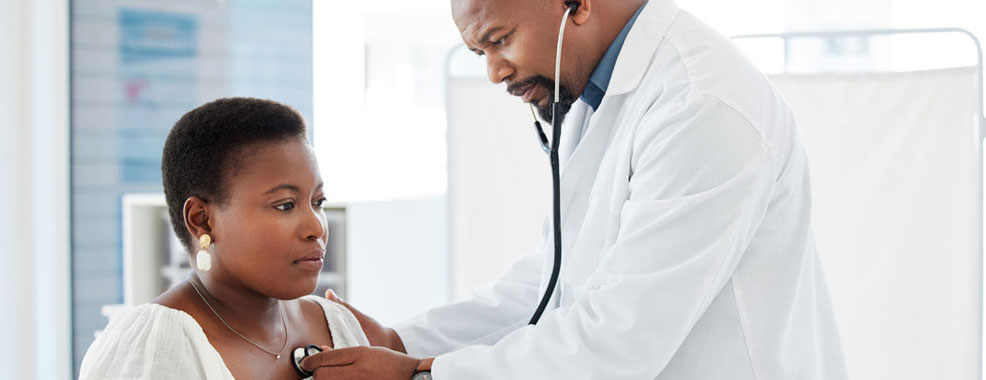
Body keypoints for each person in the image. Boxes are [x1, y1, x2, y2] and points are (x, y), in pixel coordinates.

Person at [300, 0, 851, 379]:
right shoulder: (593, 93)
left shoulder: (702, 105)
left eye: (500, 40)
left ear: (578, 3)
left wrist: (421, 374)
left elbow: (622, 337)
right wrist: (404, 343)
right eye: (479, 53)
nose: (495, 72)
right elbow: (550, 284)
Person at [79, 97, 368, 380]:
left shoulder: (338, 325)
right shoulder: (155, 347)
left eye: (318, 202)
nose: (315, 227)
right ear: (202, 220)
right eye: (285, 205)